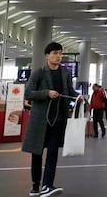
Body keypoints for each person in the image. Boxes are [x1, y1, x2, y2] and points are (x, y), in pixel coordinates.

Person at [22, 42, 78, 197]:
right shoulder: (38, 72)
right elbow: (28, 93)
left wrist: (78, 97)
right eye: (54, 53)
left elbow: (70, 90)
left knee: (53, 152)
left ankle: (48, 185)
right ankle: (35, 185)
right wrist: (46, 93)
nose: (58, 56)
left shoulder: (65, 72)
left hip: (59, 118)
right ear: (47, 55)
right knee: (37, 153)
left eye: (60, 53)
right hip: (40, 119)